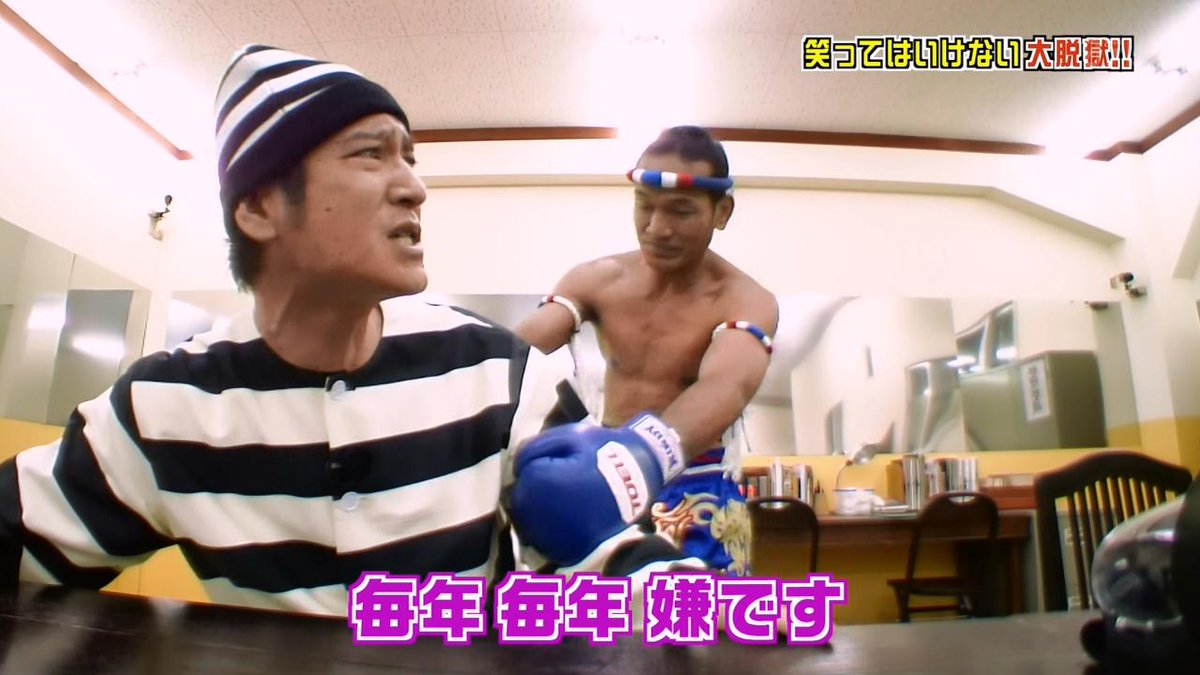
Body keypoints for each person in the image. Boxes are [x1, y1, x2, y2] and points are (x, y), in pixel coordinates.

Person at [0, 45, 703, 616]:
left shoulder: (502, 373)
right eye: (371, 154)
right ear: (259, 208)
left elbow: (613, 558)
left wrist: (695, 608)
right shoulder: (166, 407)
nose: (414, 187)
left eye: (409, 158)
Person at [515, 126, 779, 577]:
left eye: (680, 210)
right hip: (600, 478)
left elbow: (727, 385)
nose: (657, 229)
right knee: (598, 622)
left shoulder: (746, 300)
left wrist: (640, 457)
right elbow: (516, 355)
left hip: (695, 488)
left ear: (722, 212)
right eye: (644, 205)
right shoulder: (595, 279)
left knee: (704, 621)